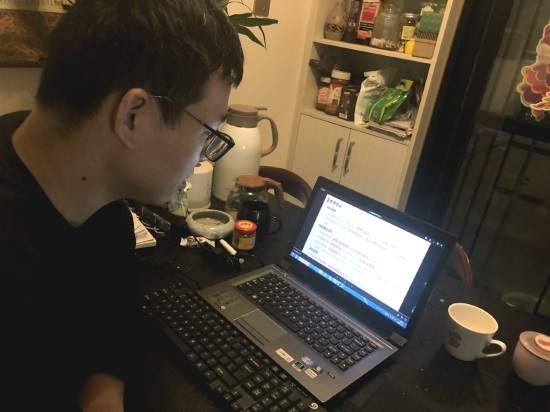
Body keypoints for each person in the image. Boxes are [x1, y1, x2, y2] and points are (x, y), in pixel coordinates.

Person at [0, 0, 244, 410]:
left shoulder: (94, 185)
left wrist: (105, 388)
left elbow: (115, 309)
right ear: (133, 116)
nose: (203, 156)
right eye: (207, 131)